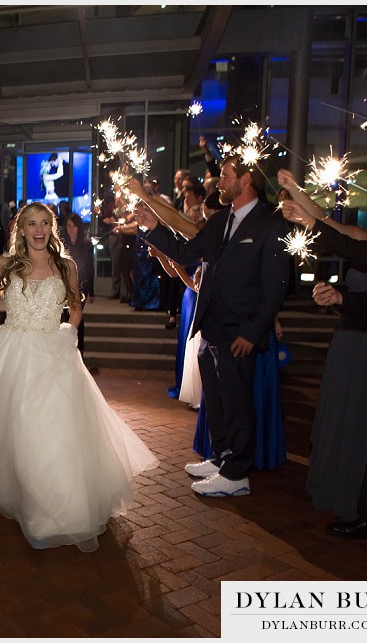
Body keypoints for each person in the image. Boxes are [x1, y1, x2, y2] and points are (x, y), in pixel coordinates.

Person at [0, 201, 158, 551]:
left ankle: (53, 509)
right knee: (18, 427)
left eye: (45, 223)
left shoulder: (66, 266)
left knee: (48, 430)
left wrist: (67, 334)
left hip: (53, 355)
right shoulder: (9, 264)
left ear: (52, 228)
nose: (39, 229)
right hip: (12, 355)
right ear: (22, 229)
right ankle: (29, 498)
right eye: (32, 224)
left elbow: (75, 308)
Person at [135, 156, 289, 497]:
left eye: (226, 176)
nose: (219, 182)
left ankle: (237, 475)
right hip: (212, 326)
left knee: (237, 402)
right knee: (216, 400)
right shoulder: (221, 220)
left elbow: (275, 285)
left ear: (247, 179)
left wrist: (252, 331)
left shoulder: (270, 224)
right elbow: (186, 251)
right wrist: (153, 228)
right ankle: (221, 457)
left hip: (240, 331)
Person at [281, 178, 367, 521]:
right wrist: (296, 190)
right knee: (349, 415)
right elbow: (329, 225)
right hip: (350, 342)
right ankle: (352, 496)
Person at [61, 214, 94, 360]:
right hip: (66, 284)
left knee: (77, 313)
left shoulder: (86, 245)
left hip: (82, 285)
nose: (71, 229)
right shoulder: (63, 246)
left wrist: (91, 291)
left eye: (73, 226)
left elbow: (90, 268)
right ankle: (67, 349)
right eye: (68, 226)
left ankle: (79, 350)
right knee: (66, 315)